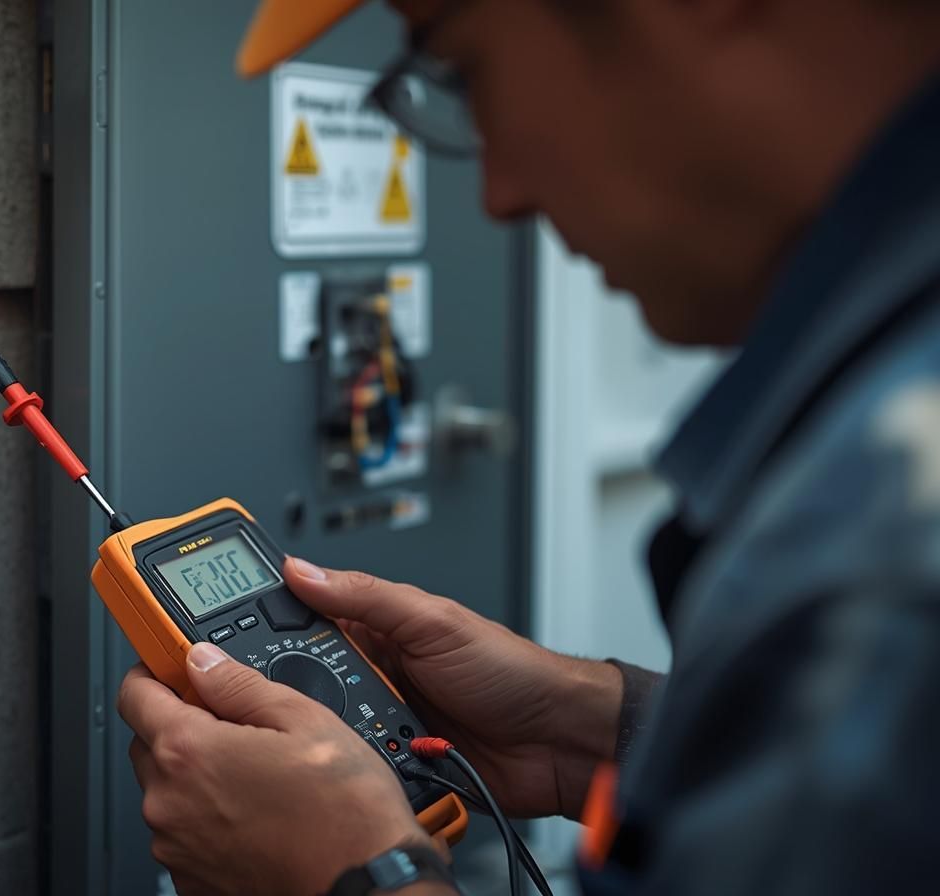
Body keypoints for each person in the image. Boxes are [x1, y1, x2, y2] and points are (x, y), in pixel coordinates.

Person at [116, 0, 940, 893]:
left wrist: (351, 879)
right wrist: (593, 728)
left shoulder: (887, 546)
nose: (501, 197)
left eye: (464, 73)